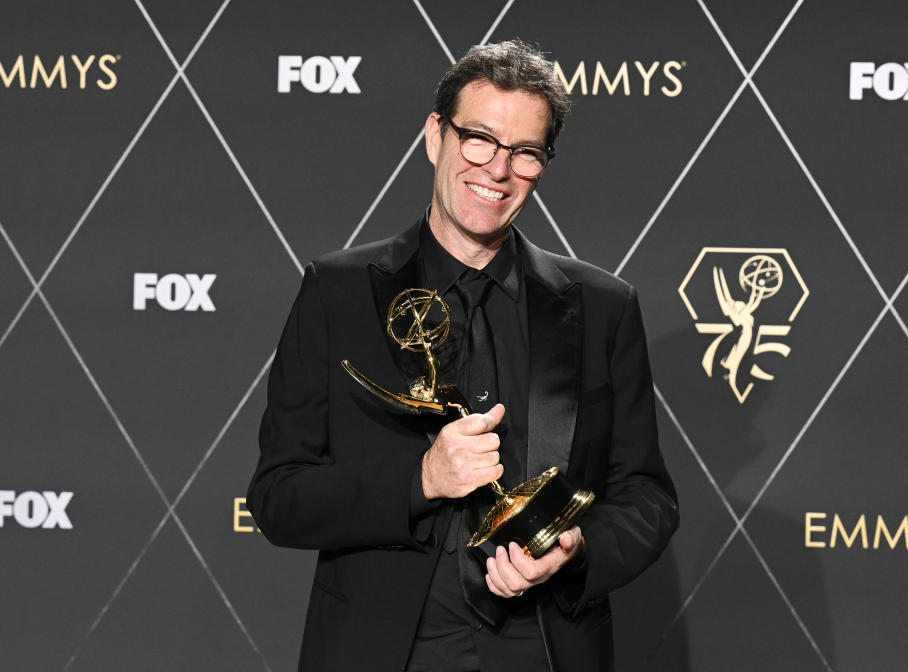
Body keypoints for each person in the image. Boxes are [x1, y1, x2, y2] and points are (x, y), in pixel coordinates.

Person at [247, 39, 678, 672]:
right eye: (478, 138)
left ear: (543, 164)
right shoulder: (338, 293)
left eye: (524, 152)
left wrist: (575, 547)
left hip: (547, 647)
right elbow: (279, 497)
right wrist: (421, 480)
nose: (496, 170)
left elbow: (646, 498)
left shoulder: (602, 308)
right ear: (435, 136)